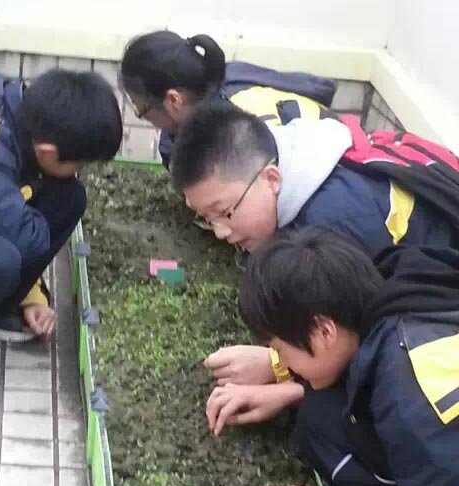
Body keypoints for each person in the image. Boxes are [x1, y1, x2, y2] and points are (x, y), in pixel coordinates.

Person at [205, 226, 459, 486]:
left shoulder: (412, 404)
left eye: (278, 349)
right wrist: (283, 382)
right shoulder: (400, 287)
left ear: (325, 331)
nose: (279, 360)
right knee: (320, 417)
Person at [171, 103, 459, 389]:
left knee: (324, 412)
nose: (220, 231)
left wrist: (280, 372)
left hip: (442, 310)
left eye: (225, 212)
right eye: (207, 218)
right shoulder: (287, 158)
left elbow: (364, 339)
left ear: (272, 179)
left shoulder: (336, 225)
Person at [0, 69, 122, 341]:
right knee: (1, 259)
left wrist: (31, 297)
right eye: (79, 165)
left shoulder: (17, 109)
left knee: (68, 198)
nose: (79, 172)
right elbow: (22, 237)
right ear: (48, 152)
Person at [119, 30, 337, 168]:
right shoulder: (215, 80)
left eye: (143, 111)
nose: (147, 119)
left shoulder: (235, 133)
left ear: (174, 101)